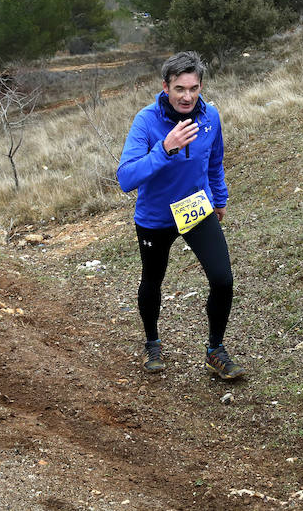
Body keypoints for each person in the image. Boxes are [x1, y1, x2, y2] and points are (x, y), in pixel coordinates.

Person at [116, 51, 245, 380]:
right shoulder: (146, 121)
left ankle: (214, 351)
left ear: (200, 86)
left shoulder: (211, 117)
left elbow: (214, 163)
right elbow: (126, 179)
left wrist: (220, 199)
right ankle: (152, 343)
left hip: (197, 210)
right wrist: (165, 148)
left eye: (194, 88)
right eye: (180, 89)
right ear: (165, 87)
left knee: (223, 279)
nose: (187, 96)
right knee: (153, 281)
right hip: (156, 217)